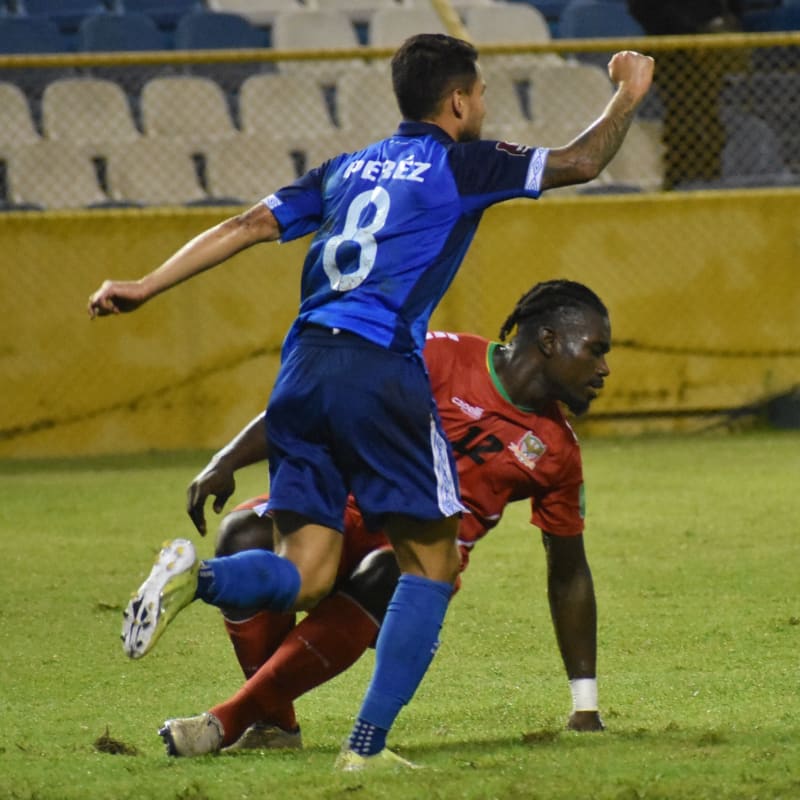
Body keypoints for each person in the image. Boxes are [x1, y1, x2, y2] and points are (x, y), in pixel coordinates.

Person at [88, 34, 653, 770]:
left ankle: (201, 580)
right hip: (378, 365)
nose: (482, 107)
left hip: (300, 365)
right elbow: (581, 161)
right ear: (458, 100)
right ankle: (366, 749)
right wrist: (629, 94)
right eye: (479, 95)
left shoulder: (345, 169)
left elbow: (245, 227)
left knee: (309, 570)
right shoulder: (460, 163)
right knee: (432, 565)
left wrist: (142, 287)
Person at [152, 279, 610, 759]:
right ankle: (275, 723)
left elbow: (569, 570)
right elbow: (319, 398)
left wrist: (586, 704)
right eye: (595, 350)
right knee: (244, 532)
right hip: (345, 516)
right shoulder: (439, 357)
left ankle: (226, 720)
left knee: (388, 571)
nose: (604, 368)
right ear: (549, 340)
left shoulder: (557, 452)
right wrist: (226, 460)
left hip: (415, 563)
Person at [626, 0, 744, 189]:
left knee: (709, 119)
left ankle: (710, 178)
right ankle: (680, 181)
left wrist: (719, 30)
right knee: (682, 119)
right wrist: (692, 34)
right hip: (672, 54)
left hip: (711, 52)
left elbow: (731, 8)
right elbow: (643, 8)